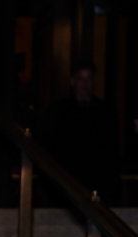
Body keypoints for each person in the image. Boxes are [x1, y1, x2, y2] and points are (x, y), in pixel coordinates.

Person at [40, 60, 121, 206]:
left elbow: (113, 151)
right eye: (80, 79)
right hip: (66, 184)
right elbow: (48, 148)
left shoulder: (106, 112)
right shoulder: (57, 111)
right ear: (73, 81)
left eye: (88, 79)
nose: (84, 84)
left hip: (98, 185)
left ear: (94, 81)